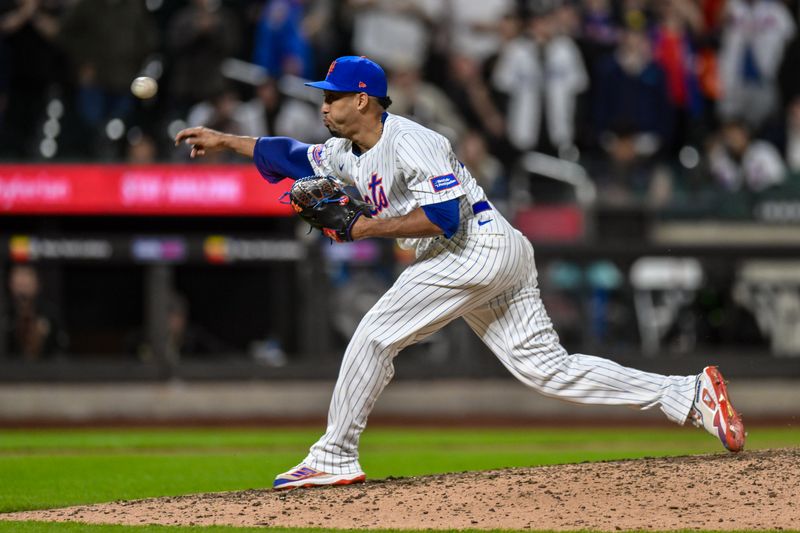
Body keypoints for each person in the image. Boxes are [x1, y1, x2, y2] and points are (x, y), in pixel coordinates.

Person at [174, 55, 746, 491]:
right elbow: (292, 155)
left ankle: (333, 456)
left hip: (473, 246)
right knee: (550, 370)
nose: (324, 105)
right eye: (324, 96)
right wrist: (226, 140)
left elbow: (444, 217)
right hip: (492, 252)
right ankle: (688, 394)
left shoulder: (413, 141)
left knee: (375, 335)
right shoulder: (348, 151)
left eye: (336, 96)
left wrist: (364, 230)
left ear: (367, 99)